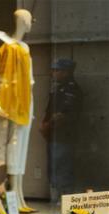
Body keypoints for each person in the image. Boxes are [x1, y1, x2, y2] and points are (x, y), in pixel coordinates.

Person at [40, 58, 82, 204]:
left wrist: (48, 124)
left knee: (62, 165)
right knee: (54, 165)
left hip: (64, 135)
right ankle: (57, 194)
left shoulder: (71, 89)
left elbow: (64, 113)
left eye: (57, 70)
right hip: (54, 135)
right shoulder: (58, 88)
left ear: (66, 72)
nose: (54, 73)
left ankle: (65, 195)